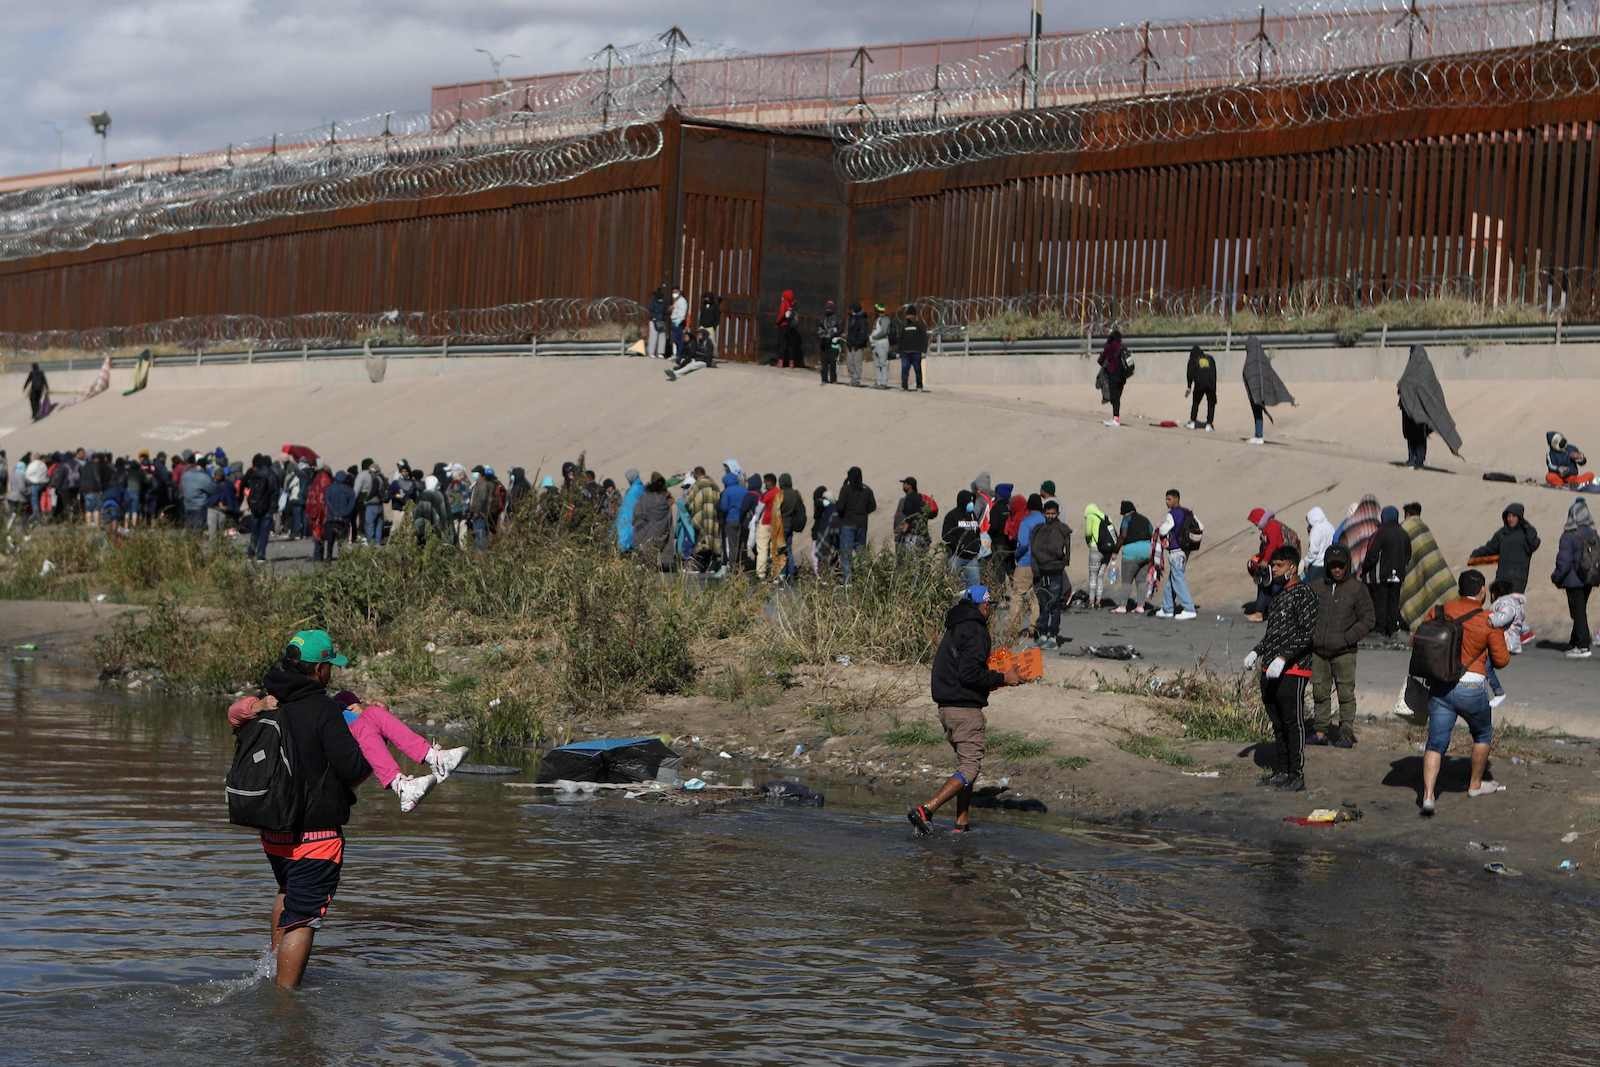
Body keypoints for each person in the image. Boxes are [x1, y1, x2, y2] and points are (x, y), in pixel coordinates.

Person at [252, 630, 372, 989]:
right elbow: (355, 770)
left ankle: (275, 969)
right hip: (315, 836)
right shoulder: (323, 711)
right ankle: (285, 1004)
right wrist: (365, 729)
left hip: (274, 832)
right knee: (302, 919)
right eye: (329, 667)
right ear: (319, 670)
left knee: (287, 891)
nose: (331, 674)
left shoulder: (269, 703)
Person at [907, 586, 1023, 835]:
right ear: (982, 606)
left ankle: (961, 823)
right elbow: (970, 673)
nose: (989, 611)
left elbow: (962, 671)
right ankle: (926, 810)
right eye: (988, 606)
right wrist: (1003, 677)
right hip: (964, 710)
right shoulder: (976, 631)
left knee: (965, 767)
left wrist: (991, 678)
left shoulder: (956, 626)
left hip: (947, 708)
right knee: (970, 768)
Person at [1418, 570, 1508, 816]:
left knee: (1436, 742)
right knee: (1482, 734)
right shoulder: (1488, 618)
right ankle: (1475, 785)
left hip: (1441, 687)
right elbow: (1501, 660)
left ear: (1460, 589)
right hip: (1471, 688)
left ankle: (1427, 797)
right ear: (1482, 592)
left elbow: (1419, 641)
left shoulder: (1438, 611)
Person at [1243, 545, 1319, 791]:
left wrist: (1284, 658)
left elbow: (1308, 633)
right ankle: (1282, 770)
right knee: (1276, 721)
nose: (1274, 569)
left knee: (1291, 720)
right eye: (1273, 565)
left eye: (1279, 565)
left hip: (1294, 668)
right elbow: (1273, 634)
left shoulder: (1303, 594)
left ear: (1292, 567)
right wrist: (1257, 651)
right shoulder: (1277, 597)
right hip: (1270, 668)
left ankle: (1296, 774)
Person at [1308, 544, 1374, 748]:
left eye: (1340, 565)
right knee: (1320, 692)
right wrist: (1312, 636)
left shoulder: (1357, 588)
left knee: (1345, 693)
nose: (1337, 569)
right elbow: (1305, 613)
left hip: (1344, 652)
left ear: (1347, 565)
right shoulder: (1316, 586)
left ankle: (1345, 732)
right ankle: (1320, 731)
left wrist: (1347, 638)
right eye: (1333, 565)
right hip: (1318, 651)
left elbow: (1368, 619)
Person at [1397, 344, 1462, 468]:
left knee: (1420, 436)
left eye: (1413, 352)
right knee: (1409, 434)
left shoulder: (1426, 368)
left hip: (1421, 411)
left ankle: (1419, 460)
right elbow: (1405, 383)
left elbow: (1432, 390)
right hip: (1408, 410)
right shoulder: (1410, 368)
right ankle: (1411, 458)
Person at [1551, 498, 1599, 659]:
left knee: (1578, 612)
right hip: (1589, 578)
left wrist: (1556, 577)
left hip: (1573, 580)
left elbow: (1563, 562)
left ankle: (1583, 646)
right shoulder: (1593, 533)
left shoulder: (1569, 535)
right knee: (1580, 610)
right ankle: (1576, 640)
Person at [1399, 502, 1455, 631]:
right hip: (1430, 569)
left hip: (1414, 572)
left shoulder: (1404, 527)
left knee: (1415, 596)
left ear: (1407, 514)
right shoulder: (1424, 527)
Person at [1361, 505, 1411, 637]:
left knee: (1381, 602)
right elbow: (1408, 555)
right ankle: (1392, 629)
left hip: (1381, 576)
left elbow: (1372, 554)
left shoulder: (1379, 533)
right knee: (1394, 602)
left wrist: (1364, 569)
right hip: (1398, 575)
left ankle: (1380, 630)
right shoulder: (1404, 534)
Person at [1471, 503, 1540, 595]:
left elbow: (1534, 544)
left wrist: (1527, 527)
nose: (1510, 519)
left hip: (1518, 579)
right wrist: (1476, 553)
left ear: (1519, 517)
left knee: (1513, 605)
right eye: (1509, 516)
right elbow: (1490, 548)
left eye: (1514, 516)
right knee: (1499, 603)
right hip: (1501, 577)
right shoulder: (1502, 533)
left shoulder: (1526, 532)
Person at [1030, 500, 1071, 648]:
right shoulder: (1037, 530)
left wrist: (1062, 563)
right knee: (1043, 605)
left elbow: (1066, 551)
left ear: (1058, 514)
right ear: (1043, 513)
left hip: (1055, 572)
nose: (1050, 516)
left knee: (1054, 605)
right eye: (1048, 513)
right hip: (1041, 573)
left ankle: (1053, 635)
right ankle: (1042, 634)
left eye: (1053, 513)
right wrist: (1035, 571)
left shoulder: (1062, 529)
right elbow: (1033, 552)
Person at [1156, 489, 1201, 620]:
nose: (1166, 502)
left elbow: (1164, 530)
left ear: (1176, 499)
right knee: (1172, 579)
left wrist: (1160, 527)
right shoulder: (1188, 512)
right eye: (1166, 499)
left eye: (1169, 499)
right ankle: (1167, 608)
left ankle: (1189, 608)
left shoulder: (1172, 514)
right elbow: (1200, 526)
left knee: (1178, 579)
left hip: (1176, 550)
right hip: (1186, 550)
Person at [1241, 336, 1295, 444]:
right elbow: (1271, 374)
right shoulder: (1263, 359)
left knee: (1257, 413)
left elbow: (1249, 373)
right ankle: (1258, 435)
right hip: (1260, 392)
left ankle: (1259, 436)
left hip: (1255, 393)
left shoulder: (1251, 359)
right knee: (1258, 412)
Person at [1243, 508, 1293, 621]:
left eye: (1254, 522)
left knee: (1267, 586)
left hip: (1280, 562)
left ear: (1258, 519)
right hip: (1279, 561)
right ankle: (1266, 612)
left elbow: (1272, 546)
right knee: (1271, 587)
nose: (1255, 525)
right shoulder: (1269, 526)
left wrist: (1264, 561)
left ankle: (1260, 613)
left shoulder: (1272, 526)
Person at [1486, 578, 1529, 709]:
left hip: (1504, 641)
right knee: (1484, 666)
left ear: (1496, 593)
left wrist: (1489, 619)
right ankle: (1485, 693)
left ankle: (1498, 692)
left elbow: (1504, 617)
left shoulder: (1506, 603)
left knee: (1484, 665)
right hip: (1507, 640)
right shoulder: (1513, 602)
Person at [1112, 500, 1155, 614]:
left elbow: (1123, 535)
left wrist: (1115, 551)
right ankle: (1140, 606)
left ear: (1124, 511)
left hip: (1131, 552)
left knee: (1127, 580)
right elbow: (1152, 533)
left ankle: (1122, 606)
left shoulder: (1127, 519)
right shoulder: (1145, 519)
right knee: (1141, 581)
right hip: (1147, 551)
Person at [835, 466, 876, 582]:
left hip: (848, 524)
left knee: (846, 553)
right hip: (862, 525)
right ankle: (865, 580)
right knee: (861, 552)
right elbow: (873, 506)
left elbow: (840, 507)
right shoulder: (867, 489)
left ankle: (848, 581)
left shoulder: (846, 489)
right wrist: (862, 512)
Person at [1011, 494, 1045, 633]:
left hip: (1025, 562)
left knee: (1017, 595)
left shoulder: (1026, 522)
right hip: (1041, 563)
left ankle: (1012, 628)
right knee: (1035, 596)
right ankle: (1034, 625)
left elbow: (1023, 544)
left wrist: (1016, 554)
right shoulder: (1045, 520)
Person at [242, 454, 280, 563]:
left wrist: (251, 504)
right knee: (264, 532)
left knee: (254, 532)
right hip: (267, 508)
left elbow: (249, 490)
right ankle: (260, 555)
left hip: (255, 507)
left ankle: (250, 553)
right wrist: (274, 508)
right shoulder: (272, 475)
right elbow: (275, 492)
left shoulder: (255, 474)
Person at [942, 489, 982, 586]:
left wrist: (977, 546)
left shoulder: (972, 515)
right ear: (963, 502)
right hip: (956, 557)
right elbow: (946, 535)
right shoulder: (952, 516)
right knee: (952, 584)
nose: (971, 504)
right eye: (969, 501)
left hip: (972, 558)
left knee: (975, 584)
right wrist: (959, 546)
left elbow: (977, 532)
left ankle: (973, 601)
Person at [688, 467, 722, 573]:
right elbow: (719, 500)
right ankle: (712, 565)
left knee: (701, 541)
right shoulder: (715, 485)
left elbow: (691, 502)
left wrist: (694, 513)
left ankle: (699, 565)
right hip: (714, 517)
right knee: (712, 540)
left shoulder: (697, 485)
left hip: (702, 518)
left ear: (696, 475)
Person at [316, 470, 355, 563]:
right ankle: (342, 558)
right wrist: (344, 514)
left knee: (330, 541)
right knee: (341, 541)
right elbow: (351, 505)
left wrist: (333, 512)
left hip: (331, 519)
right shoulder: (350, 490)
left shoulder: (329, 489)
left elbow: (327, 502)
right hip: (343, 520)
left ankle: (328, 558)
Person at [1083, 503, 1116, 609]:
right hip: (1108, 550)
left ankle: (1091, 602)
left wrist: (1089, 543)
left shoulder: (1090, 517)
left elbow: (1088, 533)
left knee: (1093, 576)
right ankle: (1099, 601)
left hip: (1096, 549)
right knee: (1100, 576)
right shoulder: (1106, 517)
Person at [1096, 329, 1131, 427]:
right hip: (1123, 376)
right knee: (1117, 397)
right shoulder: (1123, 346)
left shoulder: (1109, 346)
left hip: (1114, 375)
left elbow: (1101, 361)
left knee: (1114, 398)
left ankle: (1116, 419)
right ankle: (1116, 418)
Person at [718, 463, 748, 571]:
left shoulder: (727, 492)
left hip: (731, 520)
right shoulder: (744, 490)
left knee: (732, 545)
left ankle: (732, 567)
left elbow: (724, 507)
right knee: (742, 544)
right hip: (743, 520)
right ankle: (742, 565)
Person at [1184, 344, 1217, 431]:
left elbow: (1189, 373)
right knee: (1211, 403)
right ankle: (1209, 425)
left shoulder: (1193, 359)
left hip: (1199, 384)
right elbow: (1214, 373)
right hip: (1211, 384)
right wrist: (1214, 388)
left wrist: (1189, 386)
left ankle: (1192, 422)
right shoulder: (1210, 358)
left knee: (1195, 402)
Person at [894, 304, 928, 391]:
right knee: (904, 369)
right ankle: (904, 386)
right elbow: (900, 339)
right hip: (905, 352)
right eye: (907, 315)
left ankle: (919, 386)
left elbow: (924, 338)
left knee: (917, 369)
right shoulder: (904, 326)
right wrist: (898, 351)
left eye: (910, 315)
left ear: (914, 316)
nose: (908, 317)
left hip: (916, 352)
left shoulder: (919, 325)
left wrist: (924, 351)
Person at [892, 476, 929, 551]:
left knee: (909, 559)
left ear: (909, 486)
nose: (903, 486)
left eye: (904, 484)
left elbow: (907, 516)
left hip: (911, 536)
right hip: (922, 535)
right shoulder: (921, 499)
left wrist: (901, 530)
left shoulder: (907, 499)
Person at [811, 487, 840, 576]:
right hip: (830, 535)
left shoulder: (827, 506)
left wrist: (824, 501)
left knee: (819, 556)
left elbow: (819, 502)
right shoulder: (834, 507)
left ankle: (820, 576)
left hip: (825, 535)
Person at [1302, 506, 1335, 583]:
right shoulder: (1329, 526)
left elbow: (1313, 551)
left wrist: (1305, 562)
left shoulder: (1316, 530)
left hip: (1317, 565)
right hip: (1329, 562)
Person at [844, 302, 870, 387]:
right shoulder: (851, 318)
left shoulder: (862, 319)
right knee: (849, 363)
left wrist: (858, 344)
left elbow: (863, 334)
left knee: (857, 364)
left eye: (851, 309)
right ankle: (853, 378)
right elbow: (850, 331)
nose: (850, 311)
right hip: (850, 344)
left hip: (858, 346)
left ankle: (856, 380)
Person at [816, 300, 841, 385]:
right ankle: (824, 379)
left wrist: (831, 334)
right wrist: (822, 334)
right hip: (823, 343)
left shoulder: (836, 318)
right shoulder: (822, 318)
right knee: (824, 362)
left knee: (833, 362)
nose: (828, 309)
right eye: (827, 307)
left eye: (830, 307)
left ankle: (833, 379)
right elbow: (819, 329)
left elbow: (837, 329)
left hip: (833, 343)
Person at [869, 302, 893, 390]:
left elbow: (884, 331)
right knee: (877, 364)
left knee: (883, 363)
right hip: (875, 343)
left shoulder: (885, 319)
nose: (874, 311)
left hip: (882, 342)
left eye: (876, 309)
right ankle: (878, 381)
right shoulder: (877, 319)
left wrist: (874, 337)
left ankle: (883, 382)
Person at [776, 289, 802, 368]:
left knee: (782, 344)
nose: (782, 297)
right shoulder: (793, 304)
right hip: (792, 327)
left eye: (783, 296)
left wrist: (777, 322)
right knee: (791, 345)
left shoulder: (784, 303)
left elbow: (781, 314)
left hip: (784, 326)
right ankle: (791, 363)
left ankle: (780, 362)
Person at [647, 285, 669, 359]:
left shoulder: (664, 301)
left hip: (662, 321)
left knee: (662, 336)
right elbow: (650, 310)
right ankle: (651, 352)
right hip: (654, 321)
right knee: (653, 336)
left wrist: (664, 318)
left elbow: (665, 311)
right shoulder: (653, 301)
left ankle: (660, 352)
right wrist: (653, 318)